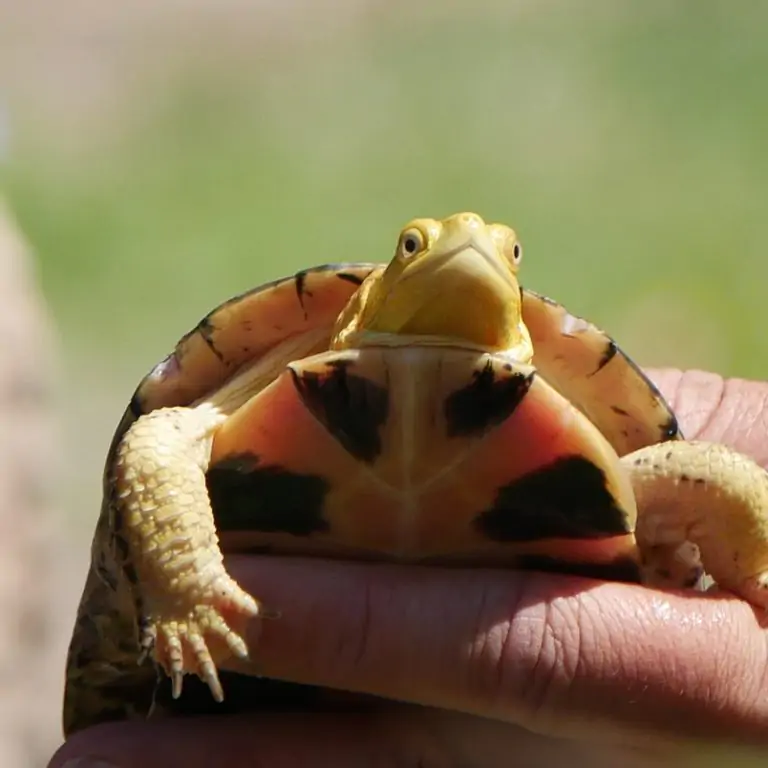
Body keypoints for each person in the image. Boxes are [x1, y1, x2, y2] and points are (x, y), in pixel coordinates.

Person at [49, 369, 768, 768]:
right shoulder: (252, 379)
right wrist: (183, 582)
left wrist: (754, 572)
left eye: (505, 253)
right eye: (419, 247)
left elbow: (698, 479)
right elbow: (160, 444)